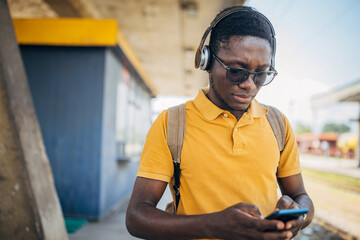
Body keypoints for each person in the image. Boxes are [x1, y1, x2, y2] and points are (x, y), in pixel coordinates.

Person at [126, 5, 314, 240]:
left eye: (261, 73)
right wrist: (213, 225)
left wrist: (299, 214)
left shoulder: (278, 124)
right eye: (237, 71)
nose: (249, 84)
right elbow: (136, 217)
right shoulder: (172, 124)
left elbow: (301, 196)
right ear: (207, 62)